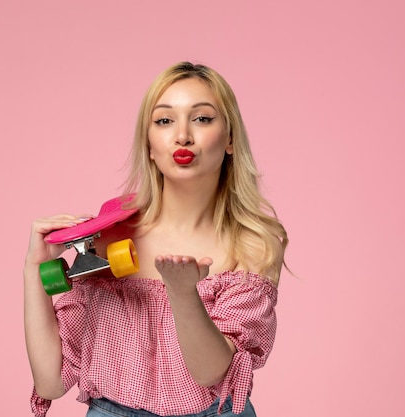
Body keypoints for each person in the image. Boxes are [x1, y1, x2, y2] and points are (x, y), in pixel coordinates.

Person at [24, 62, 288, 417]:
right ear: (148, 144)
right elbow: (50, 382)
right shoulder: (107, 237)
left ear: (230, 139)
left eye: (202, 118)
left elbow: (211, 373)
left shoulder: (255, 243)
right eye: (164, 121)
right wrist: (34, 271)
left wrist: (183, 295)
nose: (182, 136)